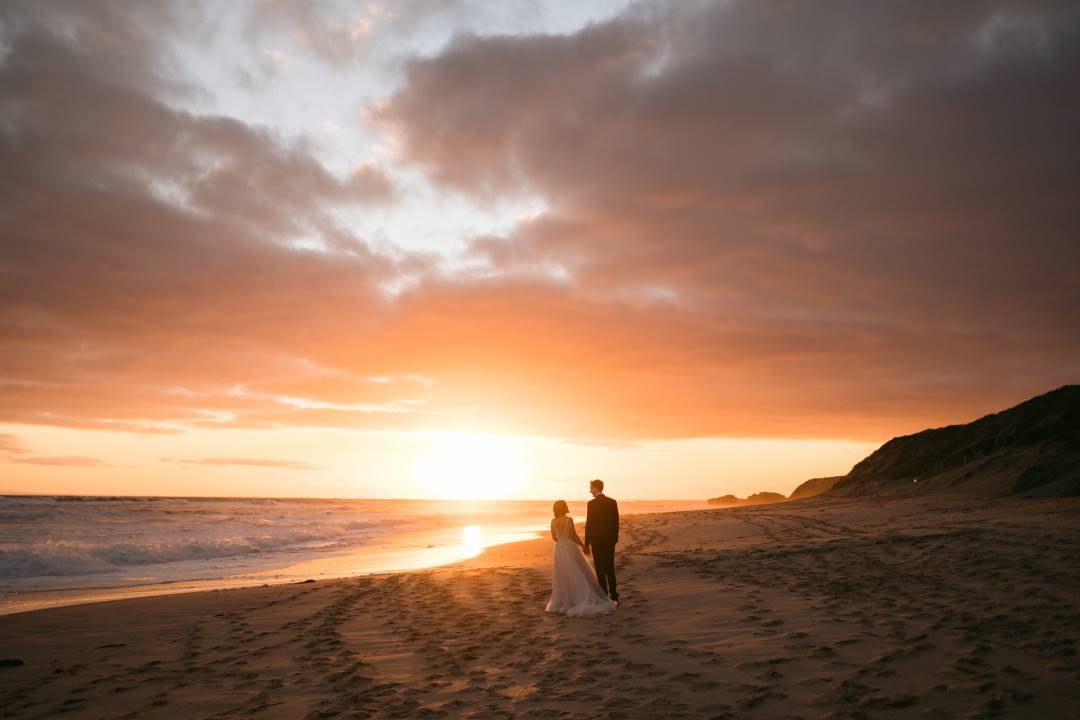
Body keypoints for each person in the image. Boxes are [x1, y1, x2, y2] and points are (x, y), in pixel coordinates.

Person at [544, 500, 617, 617]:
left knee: (563, 574)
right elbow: (573, 535)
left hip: (559, 549)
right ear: (564, 508)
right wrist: (583, 545)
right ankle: (580, 597)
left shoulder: (553, 521)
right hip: (569, 547)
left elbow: (554, 537)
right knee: (577, 571)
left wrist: (561, 541)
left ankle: (566, 600)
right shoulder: (569, 520)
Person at [583, 478, 619, 603]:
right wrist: (614, 540)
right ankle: (614, 595)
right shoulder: (612, 502)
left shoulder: (591, 504)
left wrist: (586, 543)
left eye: (591, 488)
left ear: (597, 488)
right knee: (610, 568)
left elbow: (589, 524)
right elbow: (616, 523)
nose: (590, 491)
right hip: (609, 541)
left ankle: (604, 597)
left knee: (600, 569)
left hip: (597, 541)